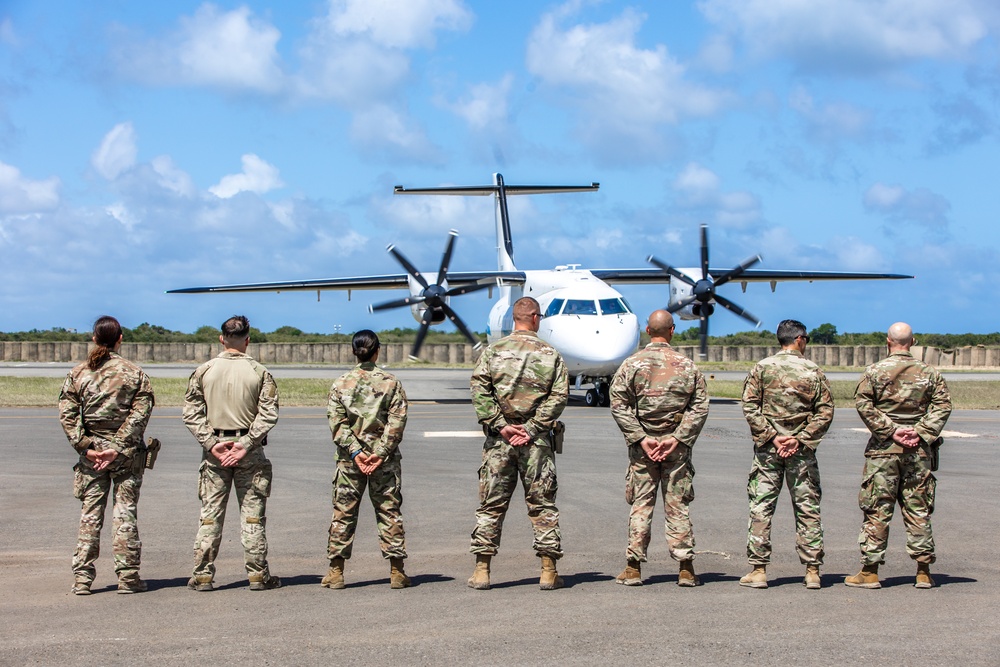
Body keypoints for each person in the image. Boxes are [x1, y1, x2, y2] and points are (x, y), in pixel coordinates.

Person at [468, 296, 569, 590]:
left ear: (514, 319)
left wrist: (502, 426)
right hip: (536, 444)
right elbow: (559, 396)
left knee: (491, 506)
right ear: (536, 318)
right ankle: (548, 571)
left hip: (499, 443)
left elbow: (479, 390)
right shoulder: (550, 354)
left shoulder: (493, 351)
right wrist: (533, 427)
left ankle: (482, 571)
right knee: (542, 505)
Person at [845, 322, 952, 589]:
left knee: (877, 508)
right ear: (912, 342)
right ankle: (923, 571)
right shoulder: (930, 373)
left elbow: (863, 404)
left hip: (884, 452)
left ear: (887, 341)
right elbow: (943, 405)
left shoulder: (874, 372)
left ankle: (869, 572)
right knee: (918, 509)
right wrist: (920, 432)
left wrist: (890, 431)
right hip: (918, 452)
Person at [609, 310, 709, 587]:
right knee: (678, 505)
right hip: (675, 448)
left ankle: (633, 568)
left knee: (641, 504)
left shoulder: (631, 364)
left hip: (644, 448)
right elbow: (699, 408)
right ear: (672, 330)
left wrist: (641, 437)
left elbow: (618, 405)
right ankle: (686, 567)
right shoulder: (687, 366)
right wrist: (677, 438)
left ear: (648, 330)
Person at [182, 315, 280, 592]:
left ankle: (202, 575)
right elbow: (268, 414)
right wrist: (246, 444)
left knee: (210, 516)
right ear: (248, 340)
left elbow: (191, 413)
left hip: (215, 452)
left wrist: (212, 443)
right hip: (248, 453)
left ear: (221, 338)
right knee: (252, 517)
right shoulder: (260, 372)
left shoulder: (204, 370)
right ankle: (258, 576)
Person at [58, 315, 154, 595]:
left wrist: (86, 447)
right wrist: (118, 447)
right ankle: (128, 578)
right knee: (125, 514)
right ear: (119, 339)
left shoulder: (78, 374)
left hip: (92, 457)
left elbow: (67, 414)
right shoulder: (134, 374)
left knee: (90, 515)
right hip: (123, 456)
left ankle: (82, 579)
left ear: (94, 338)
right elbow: (140, 414)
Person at [740, 319, 833, 590]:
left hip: (769, 451)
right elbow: (825, 411)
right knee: (807, 509)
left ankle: (758, 570)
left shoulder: (762, 368)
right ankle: (812, 570)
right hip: (801, 452)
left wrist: (773, 436)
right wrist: (800, 438)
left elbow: (749, 406)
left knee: (761, 508)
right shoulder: (813, 370)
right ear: (800, 339)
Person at [323, 330, 410, 590]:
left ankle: (336, 572)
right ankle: (397, 572)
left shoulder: (341, 384)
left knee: (343, 513)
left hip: (351, 462)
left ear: (354, 351)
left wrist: (356, 453)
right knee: (389, 512)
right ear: (377, 350)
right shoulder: (391, 383)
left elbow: (337, 424)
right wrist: (380, 452)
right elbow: (397, 422)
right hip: (383, 461)